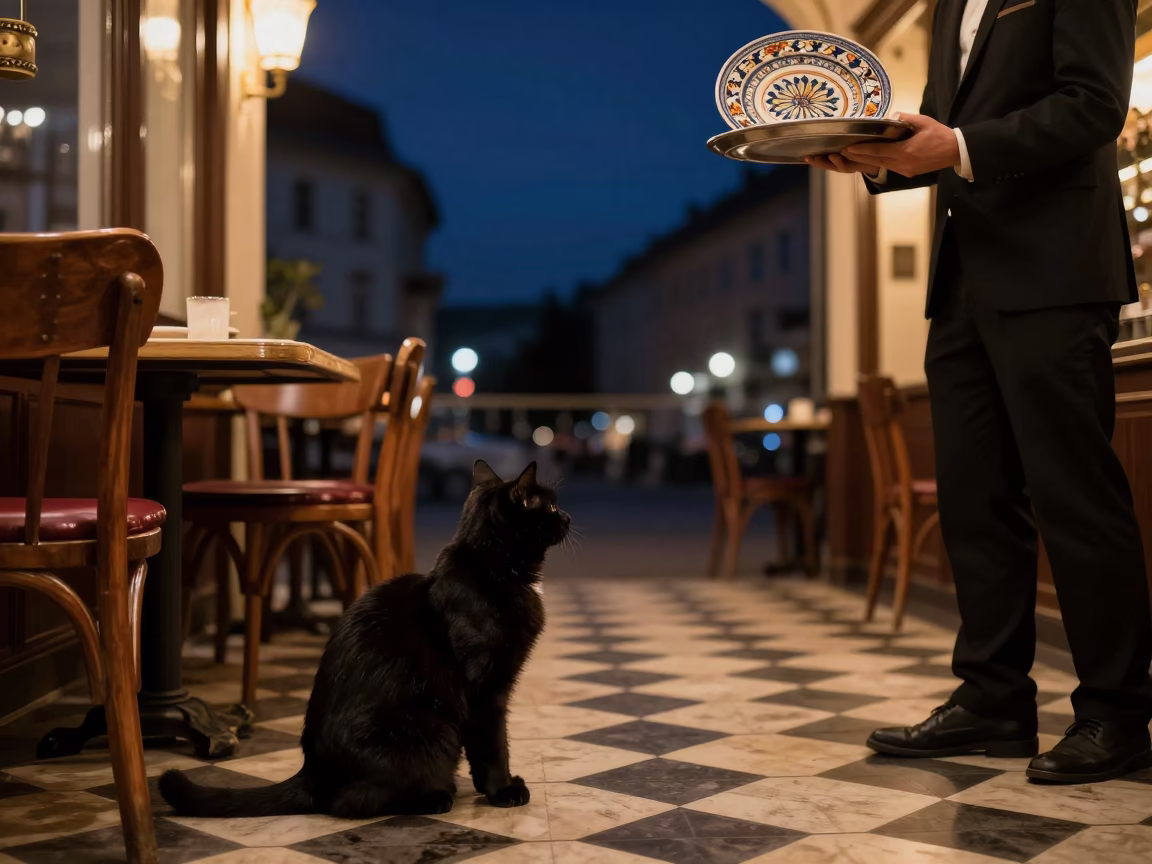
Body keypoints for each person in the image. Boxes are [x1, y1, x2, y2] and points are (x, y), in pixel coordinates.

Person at [808, 0, 1152, 783]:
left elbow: (1095, 106)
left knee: (1075, 495)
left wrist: (955, 145)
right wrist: (874, 155)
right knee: (975, 497)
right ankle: (995, 699)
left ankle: (1118, 711)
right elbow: (942, 127)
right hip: (964, 277)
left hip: (1058, 271)